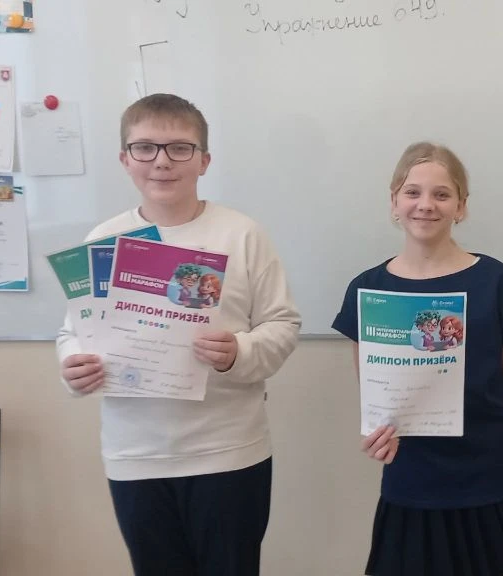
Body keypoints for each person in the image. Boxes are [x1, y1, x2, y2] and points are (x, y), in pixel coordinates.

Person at [55, 93, 301, 576]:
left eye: (180, 148)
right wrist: (73, 366)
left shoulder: (243, 235)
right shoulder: (103, 241)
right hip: (135, 454)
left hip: (228, 452)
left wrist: (239, 351)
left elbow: (283, 324)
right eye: (145, 147)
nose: (162, 161)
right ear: (125, 159)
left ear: (204, 160)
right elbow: (73, 331)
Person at [333, 141, 503, 576]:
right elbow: (374, 395)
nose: (426, 204)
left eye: (441, 194)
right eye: (412, 192)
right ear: (394, 201)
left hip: (494, 473)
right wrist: (376, 433)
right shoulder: (369, 291)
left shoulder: (494, 279)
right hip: (415, 478)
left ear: (461, 206)